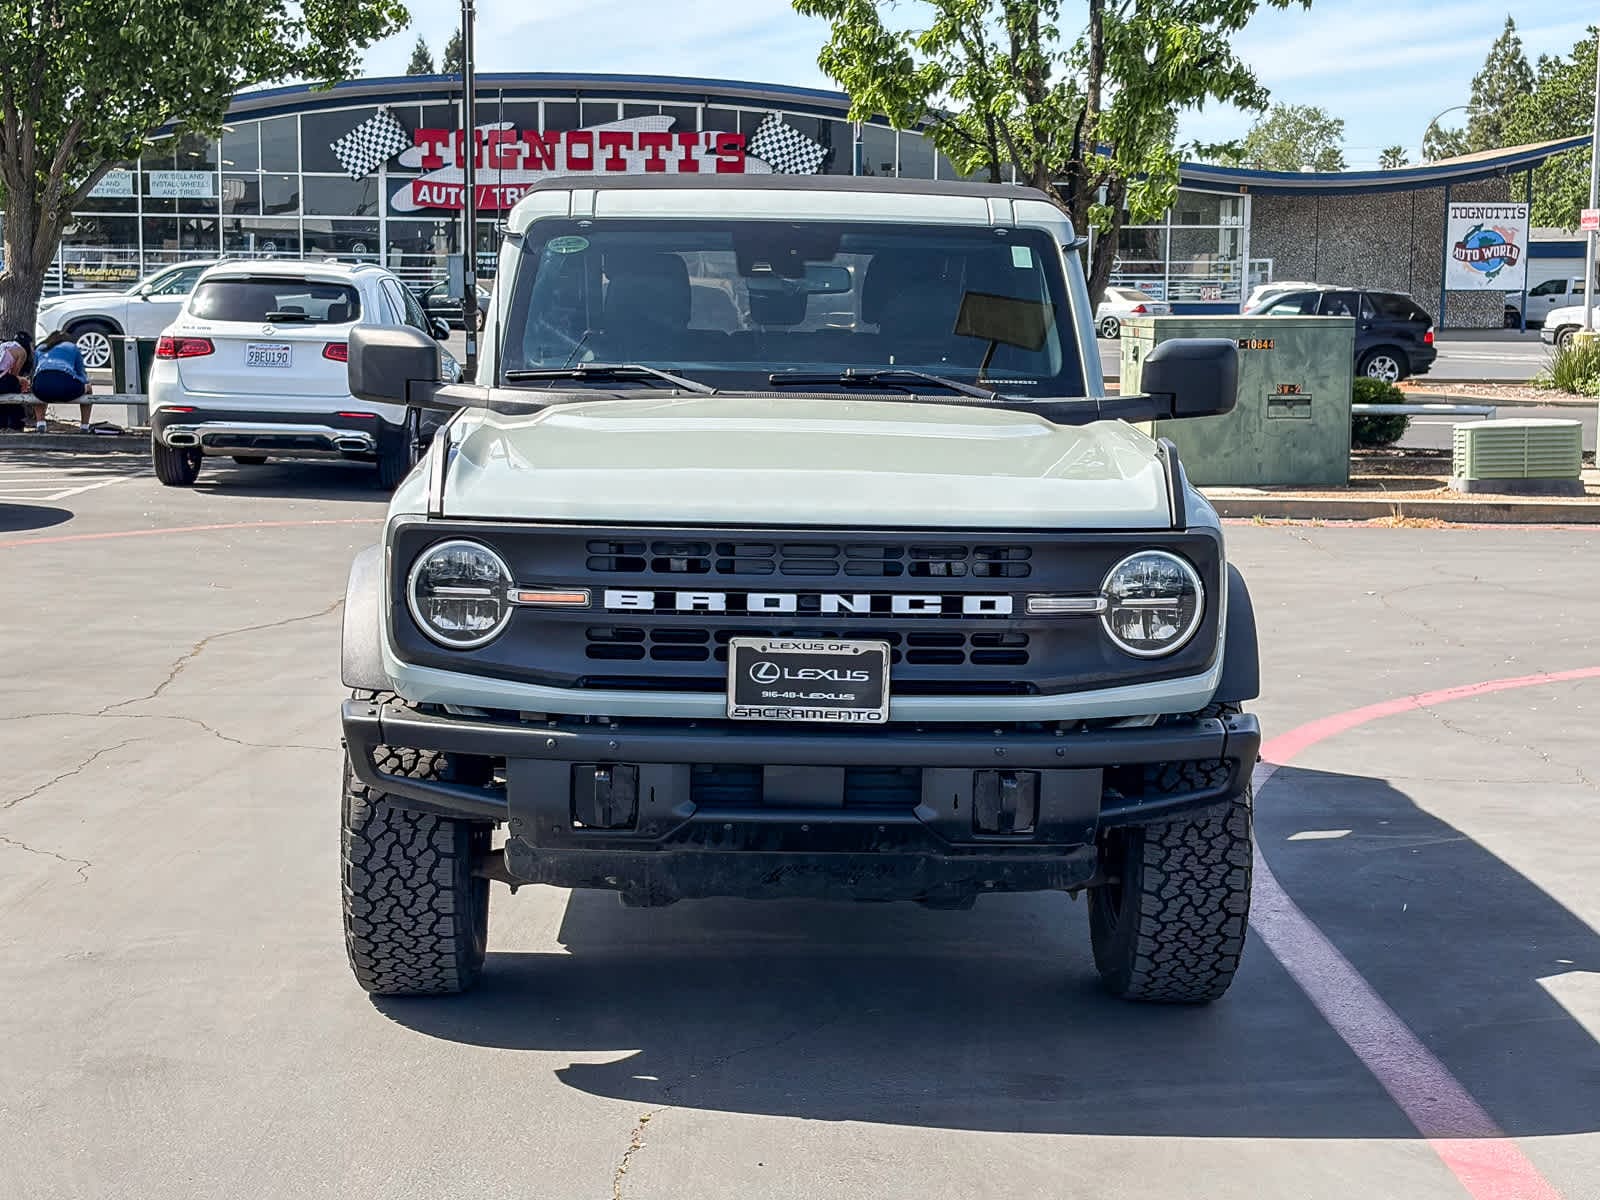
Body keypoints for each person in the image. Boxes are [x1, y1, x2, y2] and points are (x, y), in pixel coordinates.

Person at [30, 331, 92, 432]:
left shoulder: (41, 348)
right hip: (66, 387)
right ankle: (84, 426)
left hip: (41, 387)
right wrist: (82, 385)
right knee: (88, 388)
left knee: (39, 384)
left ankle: (40, 423)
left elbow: (35, 371)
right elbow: (82, 374)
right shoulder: (72, 347)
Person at [0, 330, 33, 431]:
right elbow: (14, 374)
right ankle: (16, 424)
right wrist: (23, 380)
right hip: (3, 380)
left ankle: (2, 424)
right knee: (15, 386)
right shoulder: (21, 352)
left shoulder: (4, 345)